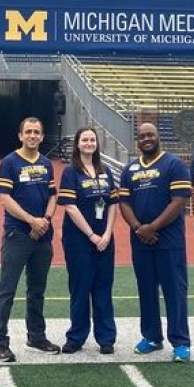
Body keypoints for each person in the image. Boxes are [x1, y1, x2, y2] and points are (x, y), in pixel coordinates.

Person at [119, 122, 193, 362]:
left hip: (168, 240)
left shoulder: (174, 164)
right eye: (141, 136)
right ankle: (152, 337)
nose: (146, 139)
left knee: (174, 291)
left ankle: (180, 341)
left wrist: (154, 227)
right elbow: (124, 204)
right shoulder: (129, 169)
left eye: (150, 134)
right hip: (140, 240)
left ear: (158, 136)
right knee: (146, 290)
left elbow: (179, 201)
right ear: (137, 141)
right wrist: (140, 228)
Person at [0, 117, 62, 362]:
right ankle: (0, 341)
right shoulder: (9, 162)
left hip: (42, 235)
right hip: (17, 234)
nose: (33, 136)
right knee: (7, 290)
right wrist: (32, 221)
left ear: (42, 137)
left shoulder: (46, 164)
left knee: (37, 290)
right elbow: (5, 198)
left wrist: (44, 220)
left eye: (37, 132)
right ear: (20, 135)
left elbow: (54, 196)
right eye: (28, 132)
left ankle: (36, 336)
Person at [57, 127, 119, 355]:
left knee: (103, 288)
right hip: (79, 240)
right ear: (77, 144)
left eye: (92, 139)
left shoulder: (106, 170)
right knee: (80, 288)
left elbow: (113, 204)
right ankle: (76, 336)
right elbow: (70, 207)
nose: (89, 143)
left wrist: (107, 233)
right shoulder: (71, 172)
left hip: (104, 239)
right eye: (85, 140)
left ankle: (106, 338)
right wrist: (91, 235)